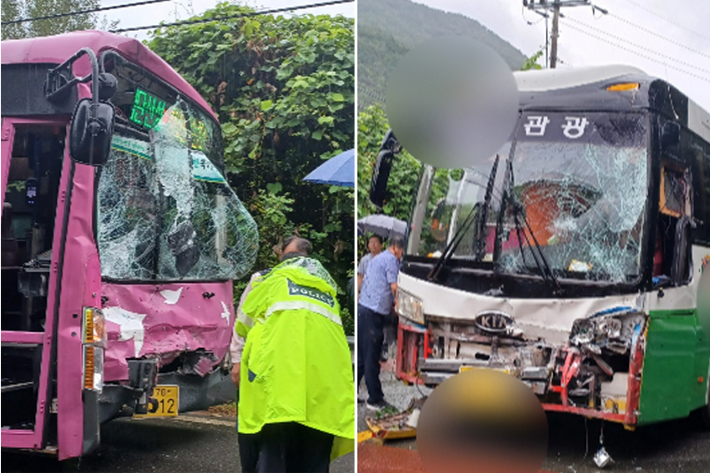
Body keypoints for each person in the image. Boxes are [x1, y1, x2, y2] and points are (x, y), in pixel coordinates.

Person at [236, 237, 354, 472]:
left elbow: (242, 326)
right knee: (312, 460)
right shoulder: (327, 291)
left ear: (282, 258)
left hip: (278, 395)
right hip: (324, 395)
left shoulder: (267, 281)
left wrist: (238, 362)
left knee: (273, 458)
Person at [357, 236, 404, 412]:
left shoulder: (378, 258)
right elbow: (394, 287)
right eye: (401, 253)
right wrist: (399, 305)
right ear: (396, 249)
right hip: (373, 313)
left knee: (362, 356)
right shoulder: (391, 260)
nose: (401, 257)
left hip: (363, 309)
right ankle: (375, 399)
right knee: (371, 357)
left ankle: (351, 392)